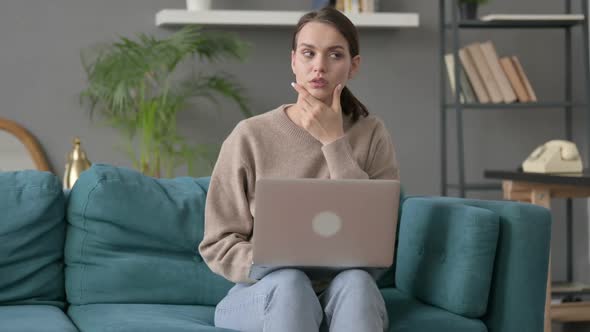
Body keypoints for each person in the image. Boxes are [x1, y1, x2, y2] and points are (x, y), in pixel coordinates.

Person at [198, 6, 400, 332]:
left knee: (359, 283)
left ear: (353, 66)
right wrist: (276, 262)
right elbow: (217, 243)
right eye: (308, 53)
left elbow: (375, 242)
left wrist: (334, 142)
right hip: (266, 290)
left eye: (335, 55)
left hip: (345, 292)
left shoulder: (372, 134)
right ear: (294, 60)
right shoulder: (250, 135)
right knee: (291, 284)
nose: (319, 66)